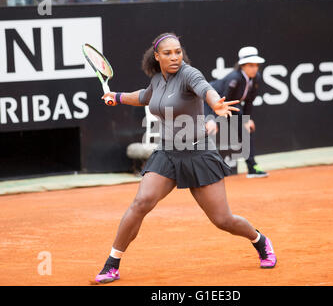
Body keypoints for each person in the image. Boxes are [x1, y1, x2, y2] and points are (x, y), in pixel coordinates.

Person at [93, 33, 277, 284]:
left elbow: (206, 89)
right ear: (156, 57)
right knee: (141, 202)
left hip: (199, 153)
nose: (174, 57)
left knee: (223, 220)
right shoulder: (157, 79)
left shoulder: (190, 74)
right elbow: (145, 96)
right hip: (167, 153)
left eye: (178, 52)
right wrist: (117, 96)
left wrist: (217, 104)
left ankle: (260, 241)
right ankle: (112, 264)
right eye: (168, 53)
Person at [205, 46, 268, 178]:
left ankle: (252, 168)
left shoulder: (256, 78)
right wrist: (211, 119)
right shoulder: (234, 78)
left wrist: (247, 119)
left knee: (246, 130)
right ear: (243, 66)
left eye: (256, 65)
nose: (255, 68)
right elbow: (221, 100)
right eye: (251, 65)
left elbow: (249, 101)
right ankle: (205, 170)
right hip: (208, 102)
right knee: (208, 129)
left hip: (229, 105)